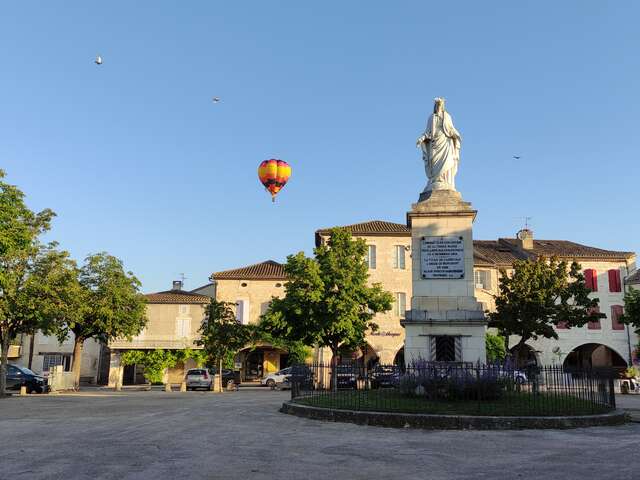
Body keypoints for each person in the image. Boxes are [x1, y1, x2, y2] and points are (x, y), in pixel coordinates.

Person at [417, 97, 462, 193]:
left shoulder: (447, 116)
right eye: (437, 105)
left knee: (447, 162)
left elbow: (451, 129)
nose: (439, 107)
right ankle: (435, 181)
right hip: (434, 144)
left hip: (446, 142)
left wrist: (456, 135)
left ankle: (445, 181)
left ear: (443, 106)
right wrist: (421, 139)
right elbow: (427, 132)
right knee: (434, 161)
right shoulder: (431, 118)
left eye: (440, 105)